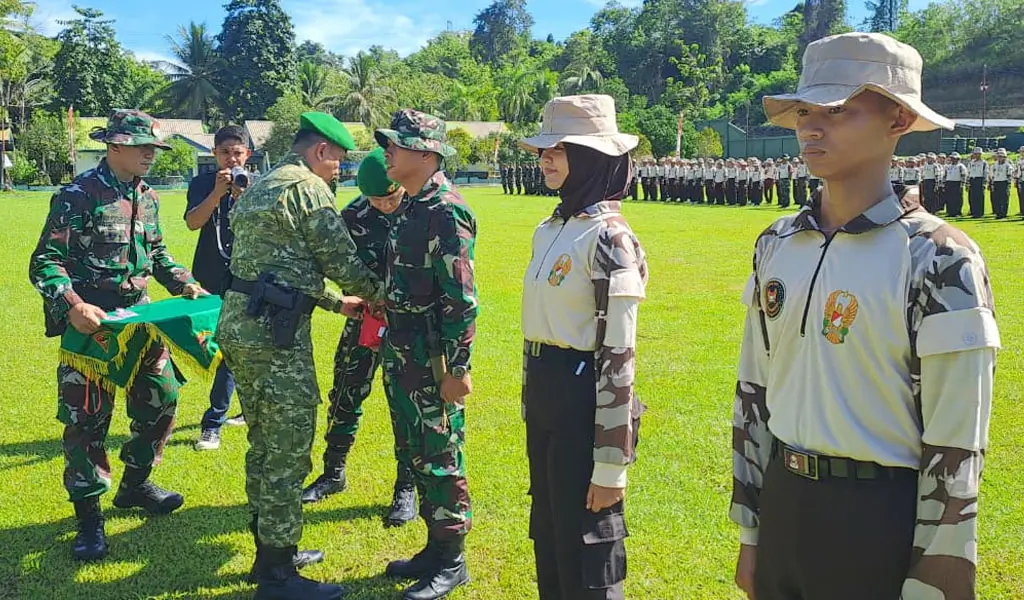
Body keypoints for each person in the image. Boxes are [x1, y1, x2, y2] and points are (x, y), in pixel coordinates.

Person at [733, 32, 999, 600]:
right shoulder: (777, 243)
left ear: (897, 119)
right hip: (785, 503)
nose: (811, 128)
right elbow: (754, 390)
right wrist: (752, 531)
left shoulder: (939, 258)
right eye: (804, 112)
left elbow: (957, 439)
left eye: (836, 111)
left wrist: (937, 575)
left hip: (877, 520)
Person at [217, 112, 384, 600]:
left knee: (264, 443)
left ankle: (271, 550)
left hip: (243, 323)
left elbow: (275, 267)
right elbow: (339, 259)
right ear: (321, 151)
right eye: (338, 161)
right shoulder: (308, 189)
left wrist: (334, 302)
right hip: (274, 338)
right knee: (287, 450)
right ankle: (277, 575)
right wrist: (382, 296)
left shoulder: (264, 185)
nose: (339, 170)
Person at [28, 109, 206, 561]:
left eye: (154, 147)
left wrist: (185, 283)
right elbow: (46, 261)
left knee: (162, 399)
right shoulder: (78, 195)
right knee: (86, 420)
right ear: (114, 147)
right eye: (142, 146)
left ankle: (135, 484)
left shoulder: (148, 196)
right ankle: (89, 517)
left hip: (140, 319)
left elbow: (158, 254)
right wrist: (73, 305)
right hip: (93, 324)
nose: (151, 154)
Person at [518, 94, 646, 600]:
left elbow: (619, 357)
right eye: (543, 150)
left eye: (559, 149)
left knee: (589, 544)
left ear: (591, 157)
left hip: (584, 399)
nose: (545, 159)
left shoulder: (611, 238)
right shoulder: (550, 228)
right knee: (549, 529)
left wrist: (612, 463)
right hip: (546, 394)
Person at [374, 110, 478, 600]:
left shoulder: (445, 210)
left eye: (396, 145)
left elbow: (461, 298)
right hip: (402, 349)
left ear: (426, 153)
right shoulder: (411, 205)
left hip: (432, 355)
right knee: (415, 450)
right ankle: (435, 549)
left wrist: (458, 368)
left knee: (441, 453)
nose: (387, 152)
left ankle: (453, 559)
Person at [298, 147, 417, 529]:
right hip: (365, 319)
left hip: (407, 325)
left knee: (406, 404)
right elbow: (328, 262)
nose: (383, 206)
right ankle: (333, 473)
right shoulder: (351, 216)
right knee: (344, 394)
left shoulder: (420, 211)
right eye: (375, 200)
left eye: (390, 198)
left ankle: (406, 487)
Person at [185, 125, 252, 451]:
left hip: (247, 277)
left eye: (237, 153)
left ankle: (213, 424)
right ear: (214, 154)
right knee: (224, 346)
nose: (231, 159)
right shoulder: (201, 183)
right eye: (225, 152)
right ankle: (244, 410)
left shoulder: (257, 184)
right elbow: (192, 223)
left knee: (233, 347)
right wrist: (216, 194)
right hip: (210, 275)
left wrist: (243, 197)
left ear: (248, 154)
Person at [989, 147, 1012, 219]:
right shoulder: (994, 165)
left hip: (1004, 182)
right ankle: (998, 214)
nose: (1000, 158)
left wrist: (1008, 183)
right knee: (997, 198)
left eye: (1001, 156)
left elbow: (1009, 175)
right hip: (996, 182)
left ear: (1005, 157)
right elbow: (992, 175)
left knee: (1004, 199)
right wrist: (992, 183)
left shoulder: (1007, 165)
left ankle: (1004, 214)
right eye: (999, 156)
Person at [967, 147, 989, 218]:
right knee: (972, 197)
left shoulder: (984, 163)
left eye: (978, 154)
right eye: (975, 154)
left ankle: (979, 213)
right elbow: (969, 172)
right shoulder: (971, 162)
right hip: (972, 179)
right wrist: (968, 182)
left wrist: (984, 182)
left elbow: (985, 172)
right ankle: (973, 212)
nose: (977, 155)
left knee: (979, 197)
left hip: (980, 179)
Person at [944, 152, 967, 217]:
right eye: (951, 158)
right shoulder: (948, 166)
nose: (952, 159)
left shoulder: (961, 166)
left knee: (957, 198)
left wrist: (962, 184)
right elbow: (945, 175)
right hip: (949, 183)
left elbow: (963, 175)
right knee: (949, 198)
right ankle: (950, 212)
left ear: (958, 159)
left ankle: (957, 212)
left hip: (957, 183)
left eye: (954, 158)